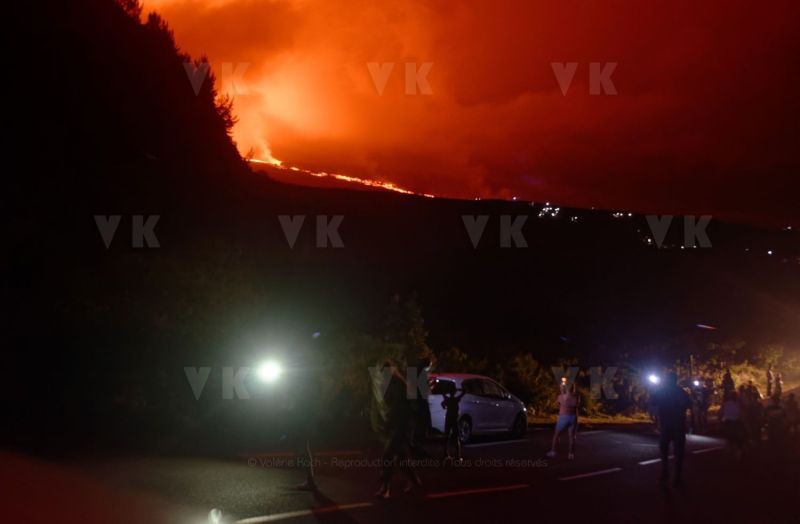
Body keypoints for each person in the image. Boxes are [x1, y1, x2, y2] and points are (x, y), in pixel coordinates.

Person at [375, 360, 420, 499]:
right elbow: (389, 405)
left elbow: (401, 407)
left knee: (387, 456)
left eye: (386, 371)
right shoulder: (391, 385)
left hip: (400, 425)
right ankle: (414, 481)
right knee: (401, 458)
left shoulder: (399, 384)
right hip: (396, 425)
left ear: (392, 371)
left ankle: (386, 488)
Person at [650, 372, 691, 486]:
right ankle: (677, 475)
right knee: (679, 452)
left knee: (664, 449)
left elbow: (652, 402)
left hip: (666, 424)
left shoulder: (661, 391)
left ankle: (665, 471)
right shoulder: (681, 392)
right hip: (678, 424)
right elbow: (689, 405)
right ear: (675, 380)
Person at [547, 382, 579, 460]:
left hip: (563, 417)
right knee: (572, 437)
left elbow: (558, 403)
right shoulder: (576, 397)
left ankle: (553, 451)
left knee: (556, 435)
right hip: (573, 417)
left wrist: (561, 390)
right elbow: (577, 405)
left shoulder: (561, 397)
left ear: (566, 388)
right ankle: (571, 454)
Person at [441, 381, 466, 461]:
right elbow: (464, 392)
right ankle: (458, 455)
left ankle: (445, 453)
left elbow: (442, 403)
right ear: (454, 392)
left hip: (448, 419)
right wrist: (458, 389)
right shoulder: (456, 399)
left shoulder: (447, 399)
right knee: (456, 437)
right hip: (454, 420)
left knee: (446, 436)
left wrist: (444, 407)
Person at [719, 391, 745, 460]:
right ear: (736, 397)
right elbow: (742, 416)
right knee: (738, 440)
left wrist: (720, 423)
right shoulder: (738, 405)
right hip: (736, 424)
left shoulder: (725, 404)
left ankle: (729, 456)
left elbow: (720, 414)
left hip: (727, 423)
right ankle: (737, 456)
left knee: (729, 440)